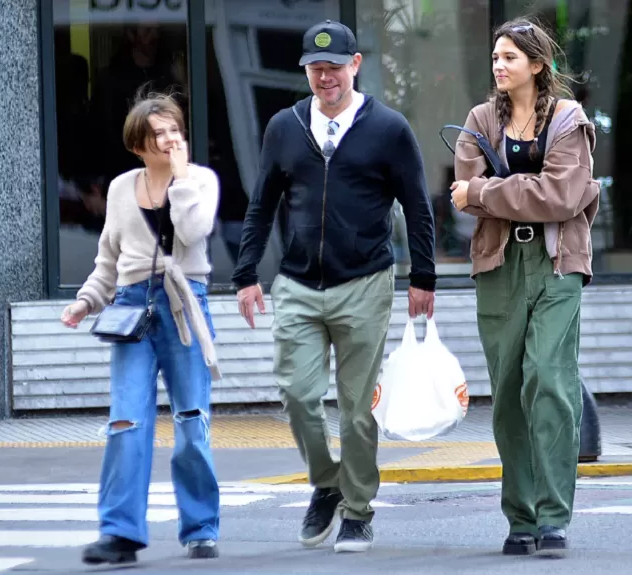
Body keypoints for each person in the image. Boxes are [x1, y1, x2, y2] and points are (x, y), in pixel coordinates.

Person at [231, 19, 437, 554]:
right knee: (299, 397)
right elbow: (262, 204)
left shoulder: (388, 128)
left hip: (365, 282)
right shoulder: (284, 126)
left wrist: (423, 276)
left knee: (354, 410)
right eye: (314, 68)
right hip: (296, 284)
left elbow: (417, 206)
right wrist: (246, 273)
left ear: (356, 65)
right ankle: (327, 484)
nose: (324, 77)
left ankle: (359, 510)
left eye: (334, 67)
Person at [449, 17, 600, 557]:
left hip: (557, 263)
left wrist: (487, 191)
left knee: (549, 381)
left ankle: (555, 518)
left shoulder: (568, 119)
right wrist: (498, 192)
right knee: (509, 394)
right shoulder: (479, 119)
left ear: (537, 65)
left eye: (510, 57)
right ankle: (521, 519)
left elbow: (561, 197)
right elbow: (460, 193)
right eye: (495, 56)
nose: (498, 65)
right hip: (498, 265)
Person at [60, 92, 222, 565]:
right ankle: (120, 533)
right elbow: (108, 260)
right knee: (125, 421)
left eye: (175, 129)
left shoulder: (201, 181)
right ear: (138, 144)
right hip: (132, 309)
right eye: (159, 133)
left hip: (183, 307)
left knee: (192, 419)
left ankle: (200, 529)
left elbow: (193, 233)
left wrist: (182, 178)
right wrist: (86, 302)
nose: (170, 139)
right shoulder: (119, 188)